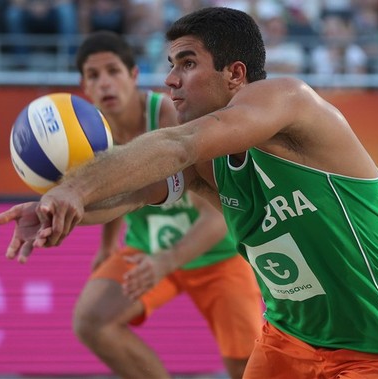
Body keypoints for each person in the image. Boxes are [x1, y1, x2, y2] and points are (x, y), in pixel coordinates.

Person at [0, 6, 378, 379]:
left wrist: (75, 186)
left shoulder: (289, 100)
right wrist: (64, 208)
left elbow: (176, 143)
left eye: (186, 63)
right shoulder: (208, 162)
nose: (170, 80)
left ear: (235, 74)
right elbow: (131, 195)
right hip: (289, 337)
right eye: (170, 65)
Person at [80, 30, 263, 379]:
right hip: (148, 250)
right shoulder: (91, 133)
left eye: (113, 71)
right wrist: (107, 245)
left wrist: (167, 260)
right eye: (94, 75)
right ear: (84, 86)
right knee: (92, 321)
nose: (104, 83)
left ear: (133, 76)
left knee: (245, 367)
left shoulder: (172, 118)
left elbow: (219, 217)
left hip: (215, 254)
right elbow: (117, 189)